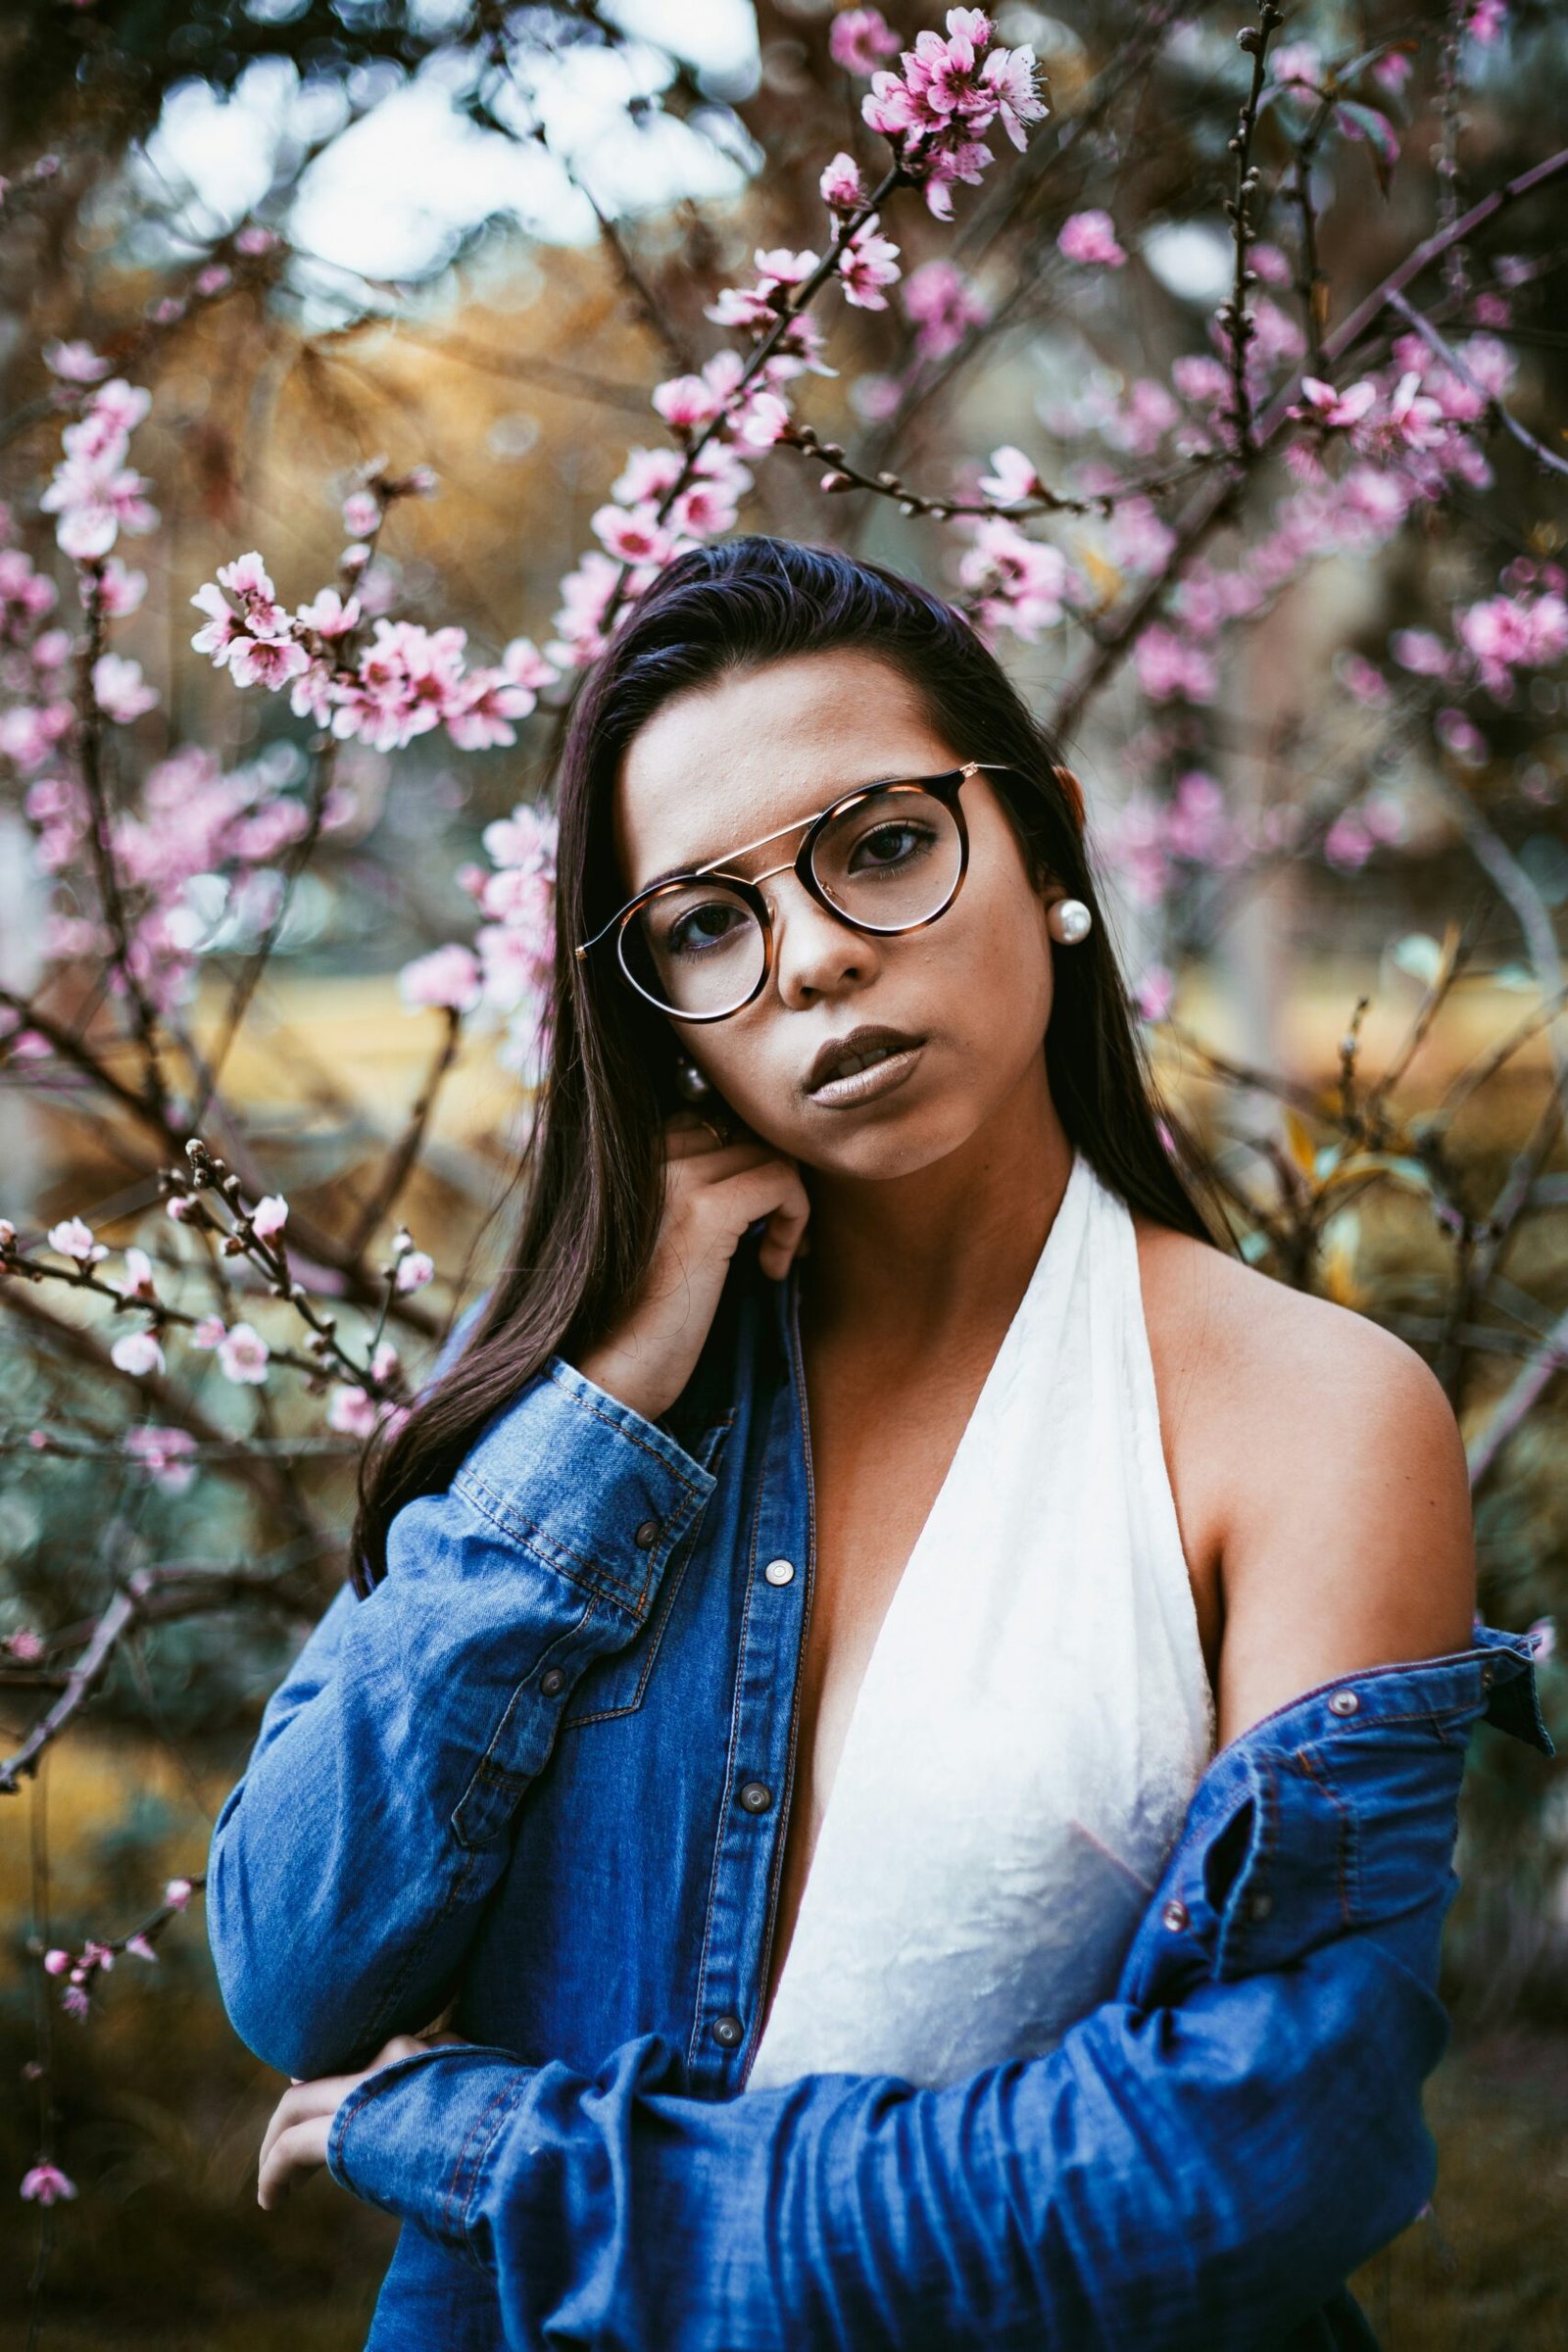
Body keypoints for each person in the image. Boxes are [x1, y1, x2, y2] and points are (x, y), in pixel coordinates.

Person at [209, 537, 1551, 2351]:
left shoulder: (1307, 1419)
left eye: (886, 845)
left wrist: (521, 2160)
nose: (819, 958)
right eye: (707, 919)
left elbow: (1260, 2158)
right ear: (648, 1002)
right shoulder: (570, 1395)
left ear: (1048, 846)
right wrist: (595, 1416)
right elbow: (295, 1966)